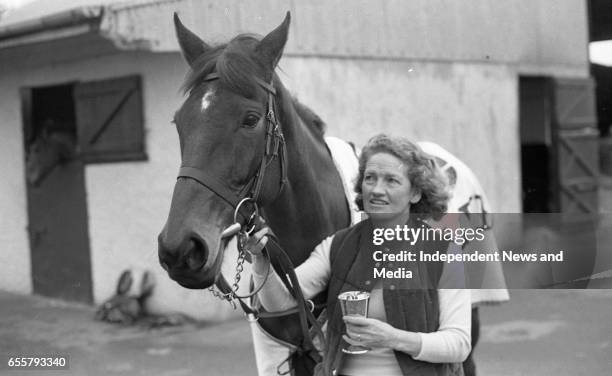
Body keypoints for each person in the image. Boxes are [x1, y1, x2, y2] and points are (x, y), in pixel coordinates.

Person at [247, 134, 471, 376]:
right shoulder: (338, 245)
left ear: (415, 193)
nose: (376, 190)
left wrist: (393, 338)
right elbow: (280, 302)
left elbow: (459, 344)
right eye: (370, 178)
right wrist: (261, 259)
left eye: (391, 181)